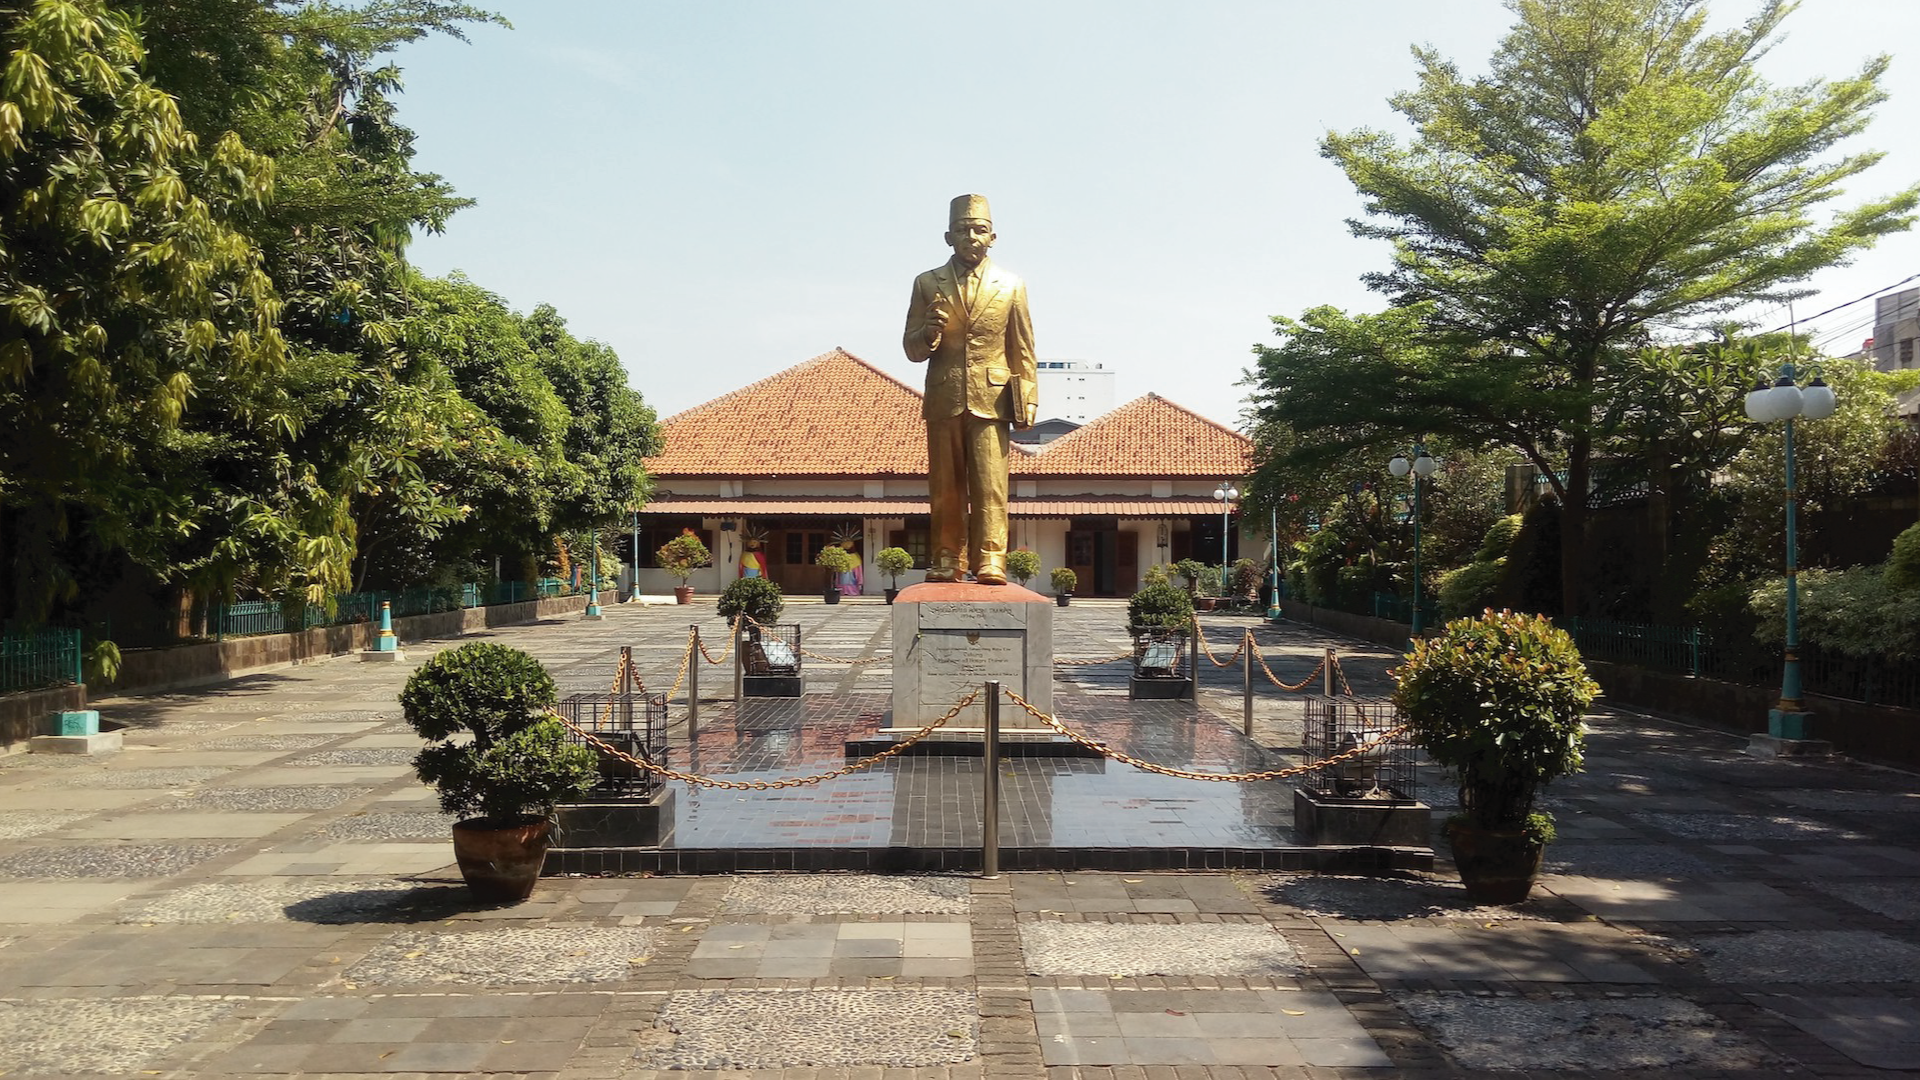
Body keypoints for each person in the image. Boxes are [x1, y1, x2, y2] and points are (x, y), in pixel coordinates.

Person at [901, 194, 1037, 584]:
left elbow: (1022, 348)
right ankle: (947, 557)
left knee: (990, 485)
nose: (971, 237)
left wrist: (1028, 398)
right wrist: (928, 332)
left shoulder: (1011, 285)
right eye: (962, 230)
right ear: (948, 236)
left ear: (993, 237)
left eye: (979, 230)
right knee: (945, 487)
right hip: (944, 395)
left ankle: (991, 558)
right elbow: (911, 349)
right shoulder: (927, 283)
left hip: (993, 398)